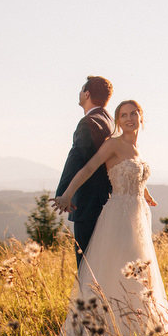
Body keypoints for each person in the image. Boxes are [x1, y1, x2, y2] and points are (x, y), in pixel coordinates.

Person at [52, 100, 168, 336]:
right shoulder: (112, 145)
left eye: (133, 114)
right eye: (123, 115)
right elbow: (88, 168)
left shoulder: (136, 148)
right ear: (117, 121)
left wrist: (146, 194)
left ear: (141, 117)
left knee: (140, 270)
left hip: (138, 215)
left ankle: (138, 326)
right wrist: (67, 193)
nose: (129, 118)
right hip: (118, 216)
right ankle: (108, 330)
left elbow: (134, 175)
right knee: (120, 269)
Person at [55, 76, 114, 268]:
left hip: (88, 205)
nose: (80, 93)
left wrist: (64, 193)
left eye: (81, 90)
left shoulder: (88, 122)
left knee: (87, 267)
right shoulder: (111, 122)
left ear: (87, 94)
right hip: (109, 202)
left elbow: (77, 159)